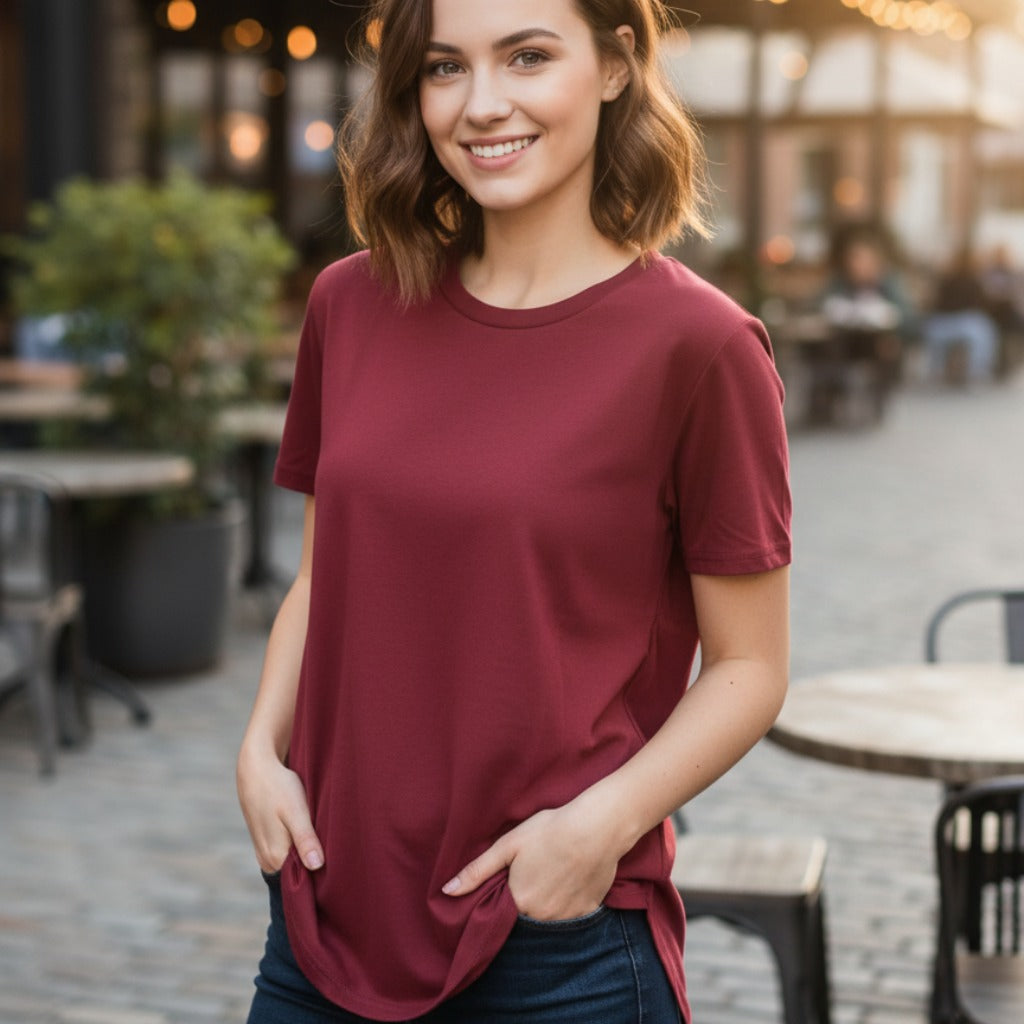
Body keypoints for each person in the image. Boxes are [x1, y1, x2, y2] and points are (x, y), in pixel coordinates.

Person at [236, 1, 792, 1021]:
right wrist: (259, 751)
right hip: (323, 924)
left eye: (527, 57)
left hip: (555, 946)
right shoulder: (349, 306)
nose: (481, 104)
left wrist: (596, 829)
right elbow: (327, 574)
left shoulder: (700, 346)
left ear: (616, 64)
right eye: (445, 68)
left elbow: (751, 666)